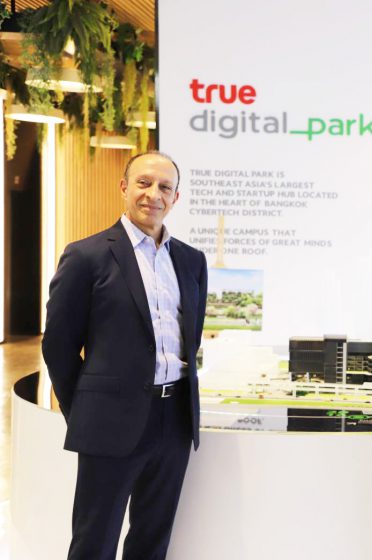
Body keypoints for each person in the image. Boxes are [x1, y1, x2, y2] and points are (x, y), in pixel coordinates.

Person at [42, 151, 208, 560]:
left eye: (165, 187)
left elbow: (191, 338)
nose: (154, 194)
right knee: (94, 542)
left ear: (176, 197)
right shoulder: (87, 256)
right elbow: (58, 346)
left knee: (152, 540)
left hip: (175, 420)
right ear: (124, 187)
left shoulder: (191, 261)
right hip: (110, 421)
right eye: (144, 183)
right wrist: (85, 411)